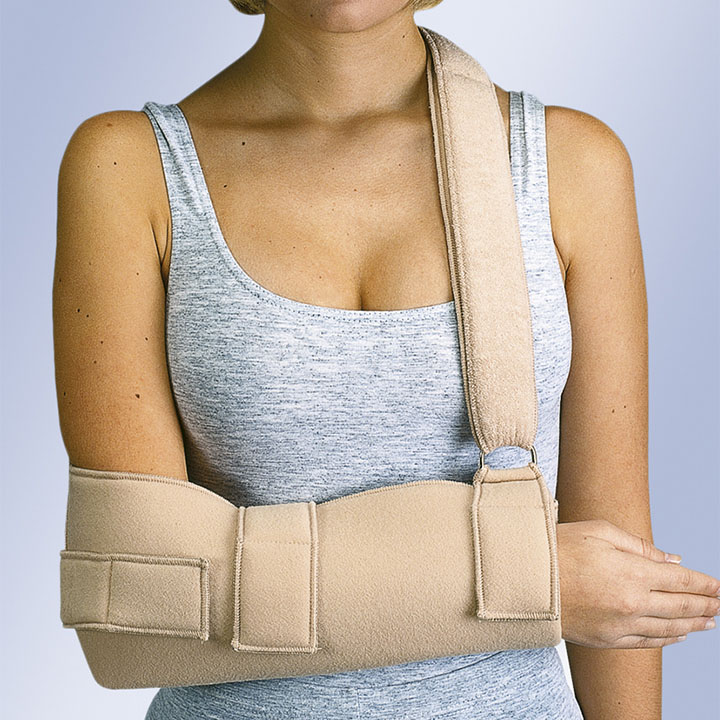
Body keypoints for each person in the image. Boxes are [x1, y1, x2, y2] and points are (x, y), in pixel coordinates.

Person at [52, 1, 720, 718]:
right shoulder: (128, 167)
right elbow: (138, 606)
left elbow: (616, 573)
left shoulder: (570, 165)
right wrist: (539, 578)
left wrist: (555, 580)